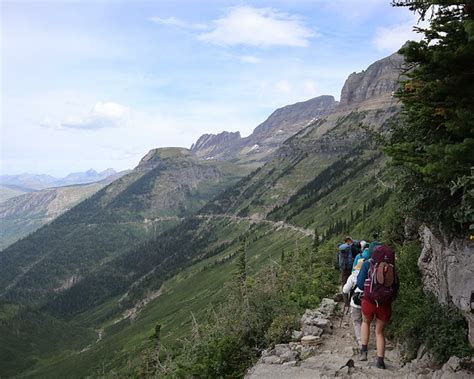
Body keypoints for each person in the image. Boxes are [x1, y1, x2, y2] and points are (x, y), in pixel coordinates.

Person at [357, 245, 398, 369]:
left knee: (365, 322)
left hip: (368, 301)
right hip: (385, 304)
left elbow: (359, 283)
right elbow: (396, 286)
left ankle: (364, 351)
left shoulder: (367, 264)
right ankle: (380, 361)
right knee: (380, 332)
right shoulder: (391, 268)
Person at [342, 262, 364, 346]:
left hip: (355, 303)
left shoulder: (352, 277)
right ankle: (365, 339)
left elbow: (345, 290)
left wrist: (346, 303)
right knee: (365, 321)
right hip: (367, 303)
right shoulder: (369, 275)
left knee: (356, 321)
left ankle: (360, 341)